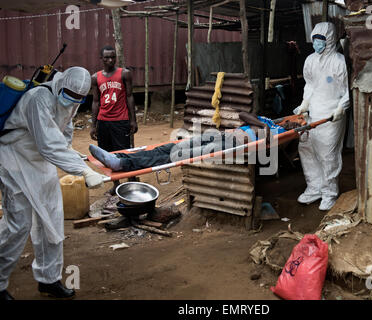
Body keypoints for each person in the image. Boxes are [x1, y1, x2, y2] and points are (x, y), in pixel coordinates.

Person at [0, 67, 106, 300]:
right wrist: (83, 170)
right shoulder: (37, 99)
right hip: (14, 159)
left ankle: (49, 279)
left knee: (52, 219)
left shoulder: (72, 97)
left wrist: (69, 151)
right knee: (18, 225)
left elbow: (64, 130)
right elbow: (48, 144)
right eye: (70, 94)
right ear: (61, 84)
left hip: (41, 162)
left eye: (79, 98)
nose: (73, 100)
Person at [89, 112, 298, 172]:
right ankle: (118, 157)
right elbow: (244, 114)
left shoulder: (281, 134)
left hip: (232, 147)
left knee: (174, 156)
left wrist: (283, 131)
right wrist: (265, 126)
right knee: (173, 146)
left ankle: (122, 164)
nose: (290, 124)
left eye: (295, 125)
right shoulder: (269, 122)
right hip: (221, 136)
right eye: (291, 121)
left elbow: (275, 145)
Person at [293, 22, 349, 211]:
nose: (317, 43)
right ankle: (314, 187)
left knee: (328, 155)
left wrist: (341, 108)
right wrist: (304, 104)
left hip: (331, 115)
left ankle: (329, 194)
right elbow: (309, 85)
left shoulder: (339, 61)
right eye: (315, 39)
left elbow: (347, 90)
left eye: (321, 39)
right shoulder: (310, 60)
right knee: (306, 149)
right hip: (313, 114)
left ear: (330, 40)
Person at [90, 45, 138, 194]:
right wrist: (93, 124)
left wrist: (133, 120)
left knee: (125, 152)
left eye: (113, 57)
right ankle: (116, 183)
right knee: (107, 154)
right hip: (103, 121)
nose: (110, 60)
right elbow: (96, 101)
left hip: (121, 120)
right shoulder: (95, 77)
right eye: (107, 57)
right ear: (101, 59)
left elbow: (130, 97)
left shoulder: (124, 74)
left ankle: (132, 180)